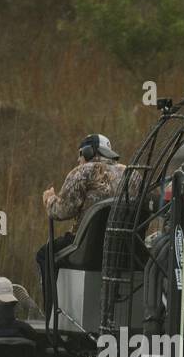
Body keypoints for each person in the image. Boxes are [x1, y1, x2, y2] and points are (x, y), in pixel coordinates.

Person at [36, 133, 134, 315]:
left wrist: (49, 199)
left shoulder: (83, 172)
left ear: (88, 152)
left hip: (88, 248)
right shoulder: (131, 173)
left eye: (80, 153)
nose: (78, 159)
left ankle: (51, 314)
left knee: (44, 254)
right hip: (124, 248)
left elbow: (61, 211)